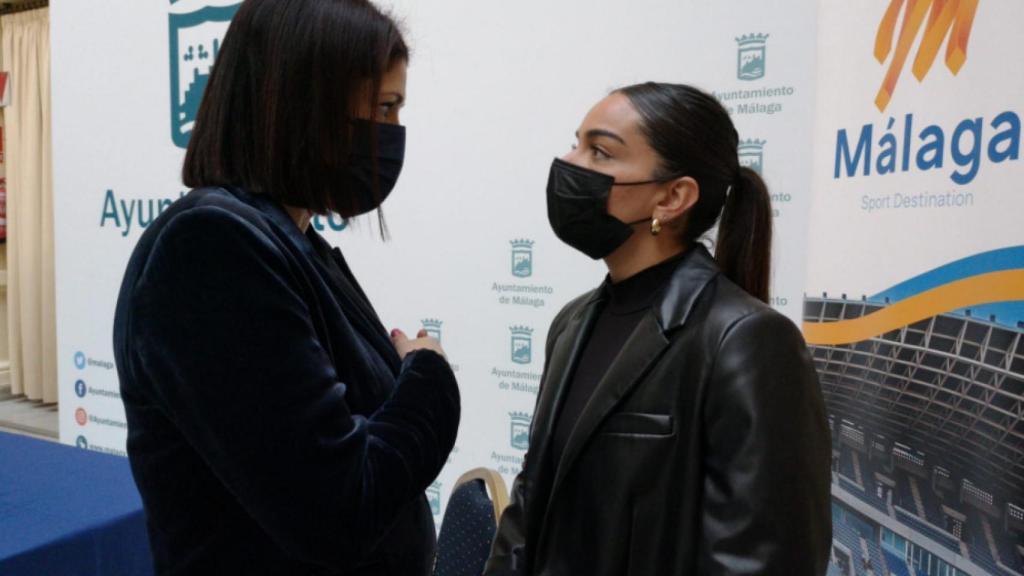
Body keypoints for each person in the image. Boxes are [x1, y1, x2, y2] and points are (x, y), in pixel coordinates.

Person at [112, 1, 460, 574]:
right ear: (307, 105)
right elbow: (340, 507)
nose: (393, 133)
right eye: (384, 107)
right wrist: (428, 379)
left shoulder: (288, 242)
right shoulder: (211, 250)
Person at [485, 82, 832, 575]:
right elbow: (529, 503)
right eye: (576, 142)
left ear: (674, 197)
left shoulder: (745, 341)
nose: (570, 163)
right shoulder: (571, 323)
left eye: (600, 152)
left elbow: (764, 560)